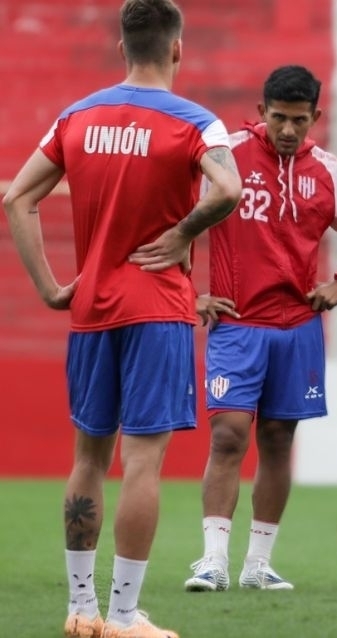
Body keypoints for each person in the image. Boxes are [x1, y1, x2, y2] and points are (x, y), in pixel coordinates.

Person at [2, 1, 242, 637]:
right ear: (177, 49)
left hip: (92, 309)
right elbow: (229, 190)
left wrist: (51, 288)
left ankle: (81, 611)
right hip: (157, 310)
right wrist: (183, 233)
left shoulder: (76, 117)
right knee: (142, 462)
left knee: (88, 458)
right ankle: (126, 617)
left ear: (121, 48)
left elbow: (16, 197)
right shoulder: (197, 122)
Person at [183, 65, 337, 592]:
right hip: (237, 324)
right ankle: (212, 560)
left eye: (300, 120)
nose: (289, 130)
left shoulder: (327, 171)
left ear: (315, 117)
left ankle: (258, 564)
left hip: (298, 327)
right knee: (228, 435)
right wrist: (190, 295)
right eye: (279, 118)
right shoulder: (226, 157)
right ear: (262, 112)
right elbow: (173, 219)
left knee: (278, 440)